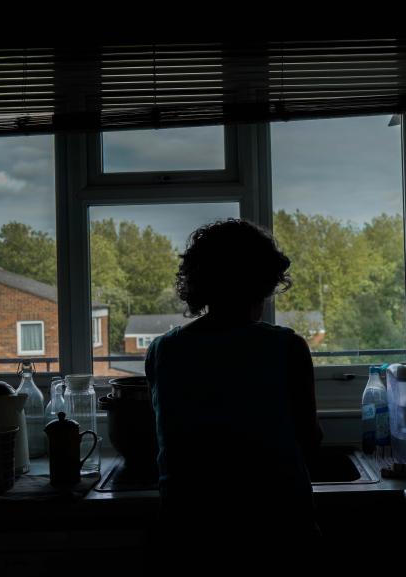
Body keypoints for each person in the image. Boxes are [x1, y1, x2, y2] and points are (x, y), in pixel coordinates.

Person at [145, 218, 323, 569]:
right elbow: (309, 440)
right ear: (266, 281)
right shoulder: (287, 347)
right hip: (277, 530)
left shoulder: (163, 351)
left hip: (189, 532)